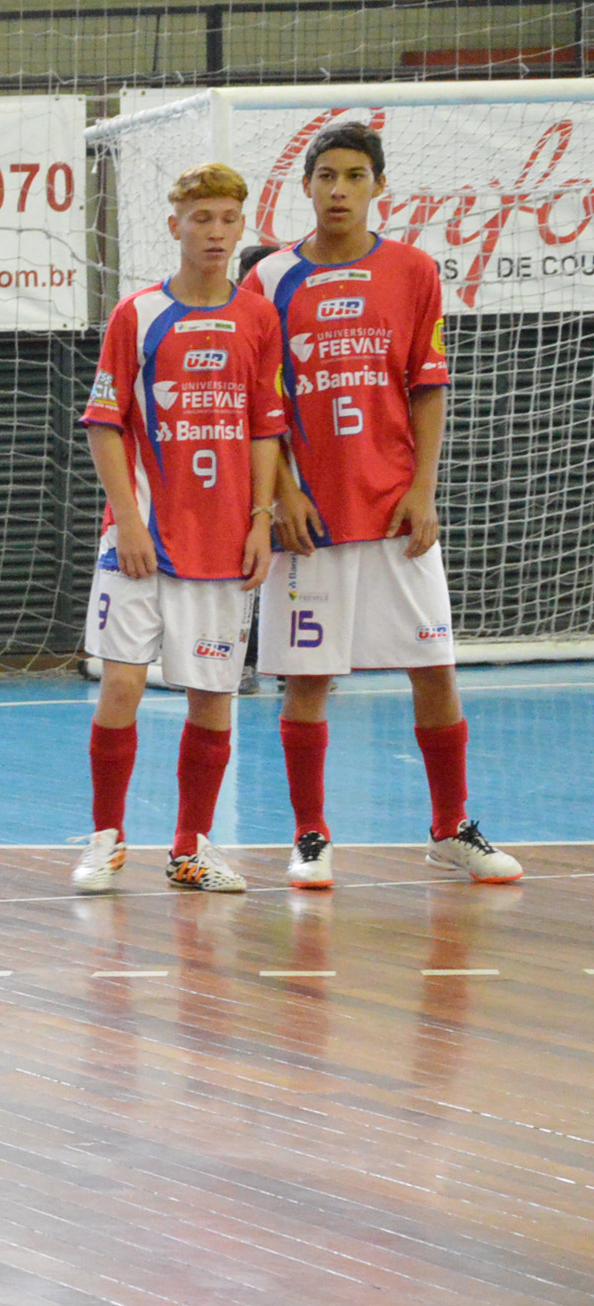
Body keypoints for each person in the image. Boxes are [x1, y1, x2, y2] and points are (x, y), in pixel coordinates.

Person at [240, 121, 523, 889]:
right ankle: (310, 835)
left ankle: (451, 827)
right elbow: (259, 405)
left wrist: (424, 489)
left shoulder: (413, 271)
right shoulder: (267, 280)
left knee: (434, 668)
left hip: (396, 509)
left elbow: (427, 387)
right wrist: (282, 493)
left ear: (378, 185)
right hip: (310, 518)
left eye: (355, 176)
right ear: (305, 185)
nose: (339, 190)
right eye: (326, 176)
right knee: (308, 681)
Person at [68, 162, 285, 896]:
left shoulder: (258, 319)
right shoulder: (137, 315)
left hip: (224, 542)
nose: (216, 232)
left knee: (213, 696)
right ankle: (106, 838)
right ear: (175, 226)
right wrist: (127, 522)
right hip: (141, 539)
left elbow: (265, 429)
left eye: (228, 219)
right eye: (201, 219)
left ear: (241, 225)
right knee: (121, 685)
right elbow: (104, 424)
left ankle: (190, 847)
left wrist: (261, 521)